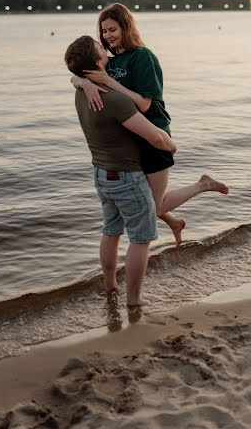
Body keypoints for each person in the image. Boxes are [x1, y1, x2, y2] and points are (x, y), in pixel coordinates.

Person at [71, 3, 229, 247]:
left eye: (112, 29)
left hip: (154, 134)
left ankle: (202, 185)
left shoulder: (142, 57)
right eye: (104, 31)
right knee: (142, 199)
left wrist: (106, 81)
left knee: (151, 208)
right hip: (131, 139)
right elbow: (75, 73)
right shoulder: (111, 62)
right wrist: (85, 82)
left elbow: (144, 104)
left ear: (126, 27)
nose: (107, 36)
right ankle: (176, 223)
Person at [64, 35, 177, 306]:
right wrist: (172, 145)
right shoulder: (114, 100)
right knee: (141, 239)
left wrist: (80, 79)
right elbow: (156, 138)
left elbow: (75, 78)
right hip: (127, 177)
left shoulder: (81, 93)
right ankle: (134, 300)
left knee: (111, 230)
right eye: (101, 48)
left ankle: (109, 285)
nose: (107, 49)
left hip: (101, 175)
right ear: (97, 62)